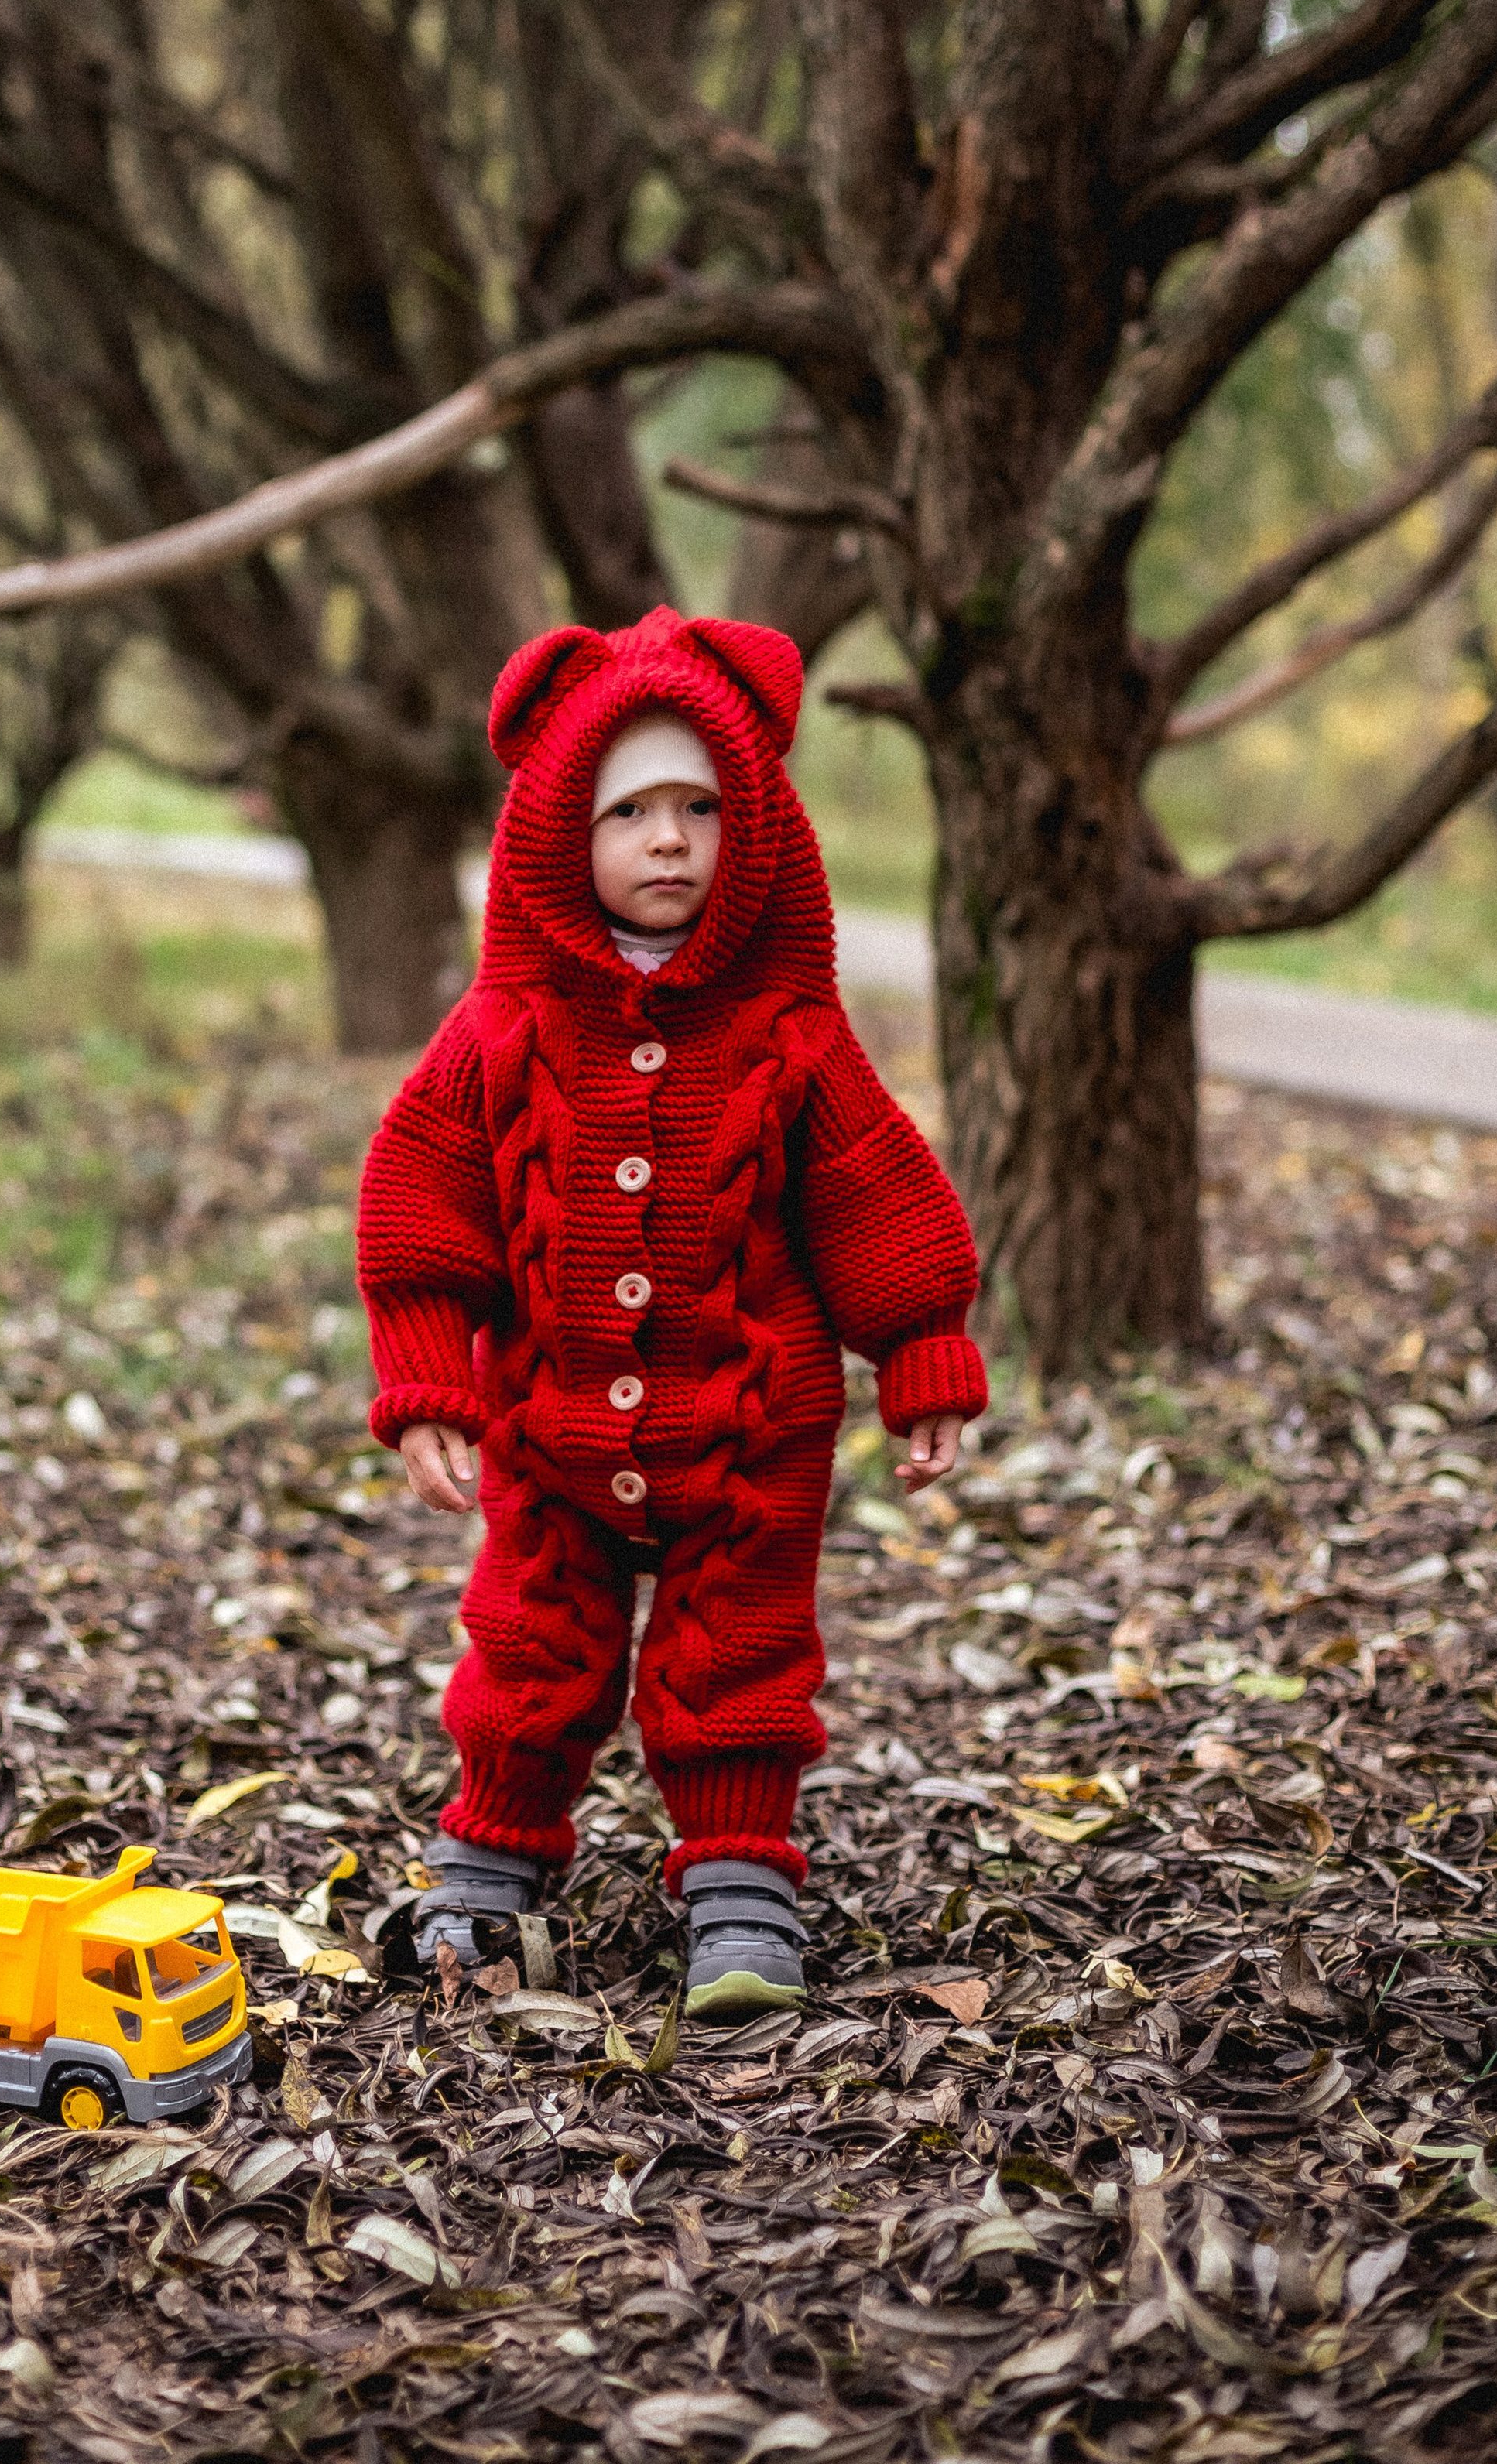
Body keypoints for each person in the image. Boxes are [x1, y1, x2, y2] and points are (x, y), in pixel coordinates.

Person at [356, 607, 987, 2019]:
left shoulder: (790, 1027)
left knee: (740, 1654)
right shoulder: (505, 1029)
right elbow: (423, 1192)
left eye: (700, 806)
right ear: (557, 834)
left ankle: (742, 1888)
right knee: (528, 1644)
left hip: (752, 1431)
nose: (667, 840)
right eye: (628, 807)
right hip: (549, 1422)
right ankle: (487, 1872)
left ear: (752, 825)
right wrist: (426, 1379)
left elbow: (873, 1185)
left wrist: (925, 1349)